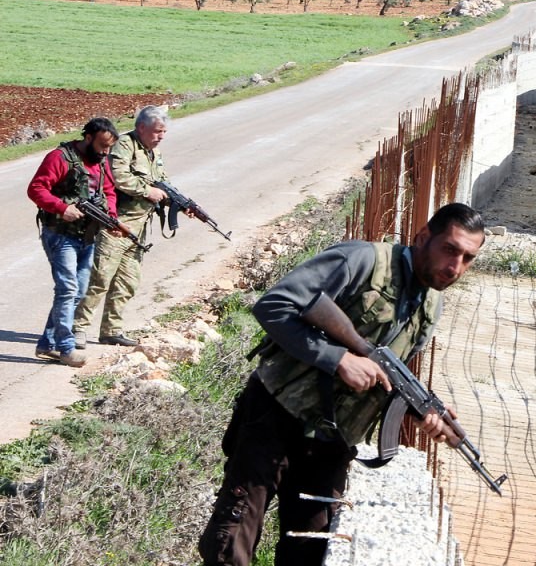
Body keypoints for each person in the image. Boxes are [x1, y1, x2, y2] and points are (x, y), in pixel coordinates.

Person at [198, 203, 486, 566]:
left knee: (311, 548)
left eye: (467, 258)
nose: (455, 267)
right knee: (232, 540)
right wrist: (339, 359)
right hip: (275, 415)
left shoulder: (431, 306)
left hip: (330, 442)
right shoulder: (362, 260)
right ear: (423, 237)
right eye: (450, 249)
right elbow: (273, 306)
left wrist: (425, 411)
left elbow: (388, 377)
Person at [73, 105, 171, 348]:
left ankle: (111, 330)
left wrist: (174, 199)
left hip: (138, 228)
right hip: (116, 224)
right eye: (157, 131)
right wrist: (148, 191)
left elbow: (162, 181)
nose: (160, 137)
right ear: (142, 127)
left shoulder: (152, 153)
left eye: (163, 132)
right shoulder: (125, 145)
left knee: (127, 281)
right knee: (100, 278)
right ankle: (77, 329)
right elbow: (118, 176)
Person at [27, 117, 121, 368]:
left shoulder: (101, 162)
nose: (105, 152)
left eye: (109, 148)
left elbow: (109, 191)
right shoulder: (59, 157)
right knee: (68, 289)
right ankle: (66, 348)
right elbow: (36, 189)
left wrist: (111, 217)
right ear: (88, 138)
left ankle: (47, 343)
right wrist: (61, 208)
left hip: (87, 236)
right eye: (102, 146)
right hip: (60, 234)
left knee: (77, 291)